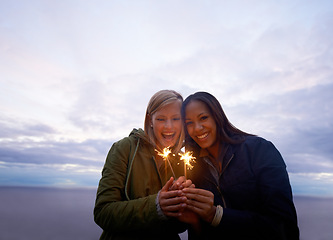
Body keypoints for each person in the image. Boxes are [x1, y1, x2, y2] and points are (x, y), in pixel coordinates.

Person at [179, 91, 299, 240]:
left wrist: (217, 215)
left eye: (203, 118)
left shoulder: (259, 150)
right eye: (189, 123)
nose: (197, 128)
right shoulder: (194, 168)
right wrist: (195, 221)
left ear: (217, 116)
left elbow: (284, 227)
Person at [94, 90, 191, 240]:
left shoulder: (182, 162)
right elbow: (103, 212)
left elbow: (179, 227)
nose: (169, 127)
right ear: (149, 120)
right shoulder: (124, 148)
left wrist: (183, 206)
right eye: (161, 119)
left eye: (176, 118)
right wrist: (156, 206)